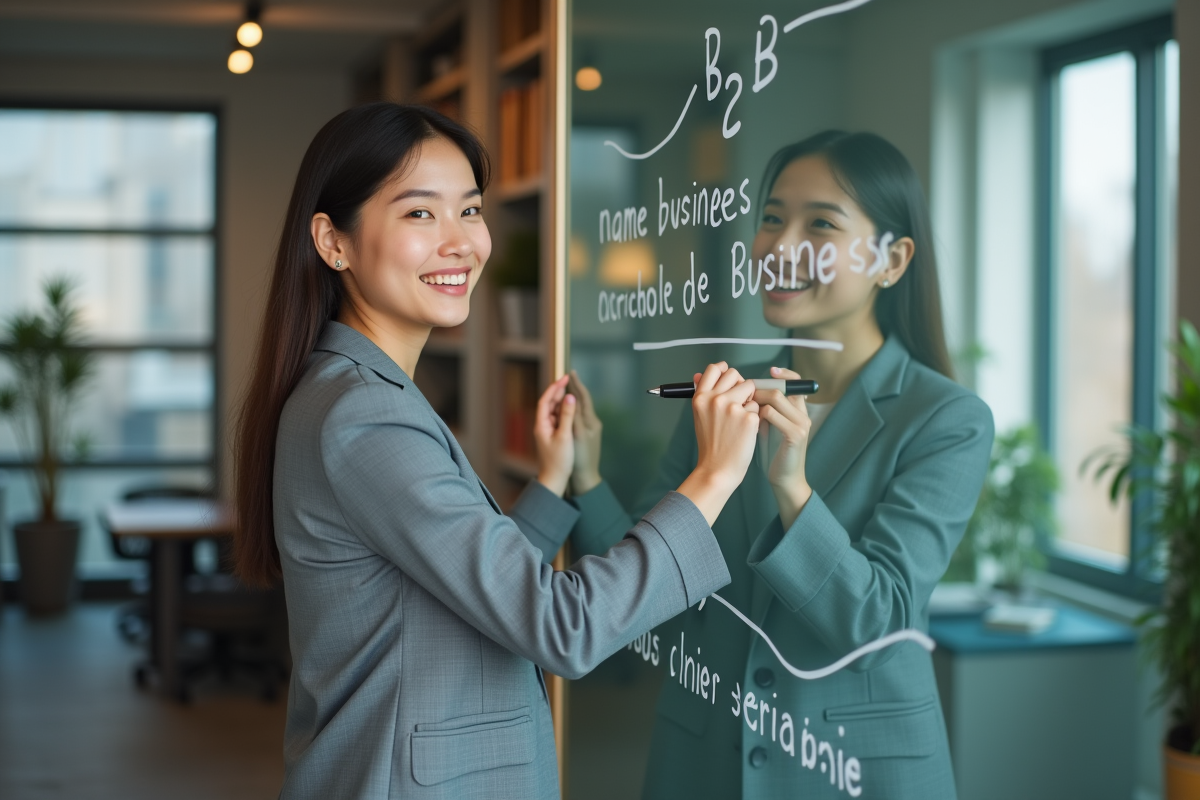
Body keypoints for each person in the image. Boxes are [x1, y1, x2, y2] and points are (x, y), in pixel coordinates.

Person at [232, 103, 762, 799]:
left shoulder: (352, 391)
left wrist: (549, 481)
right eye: (420, 214)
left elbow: (460, 588)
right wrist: (714, 477)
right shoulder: (366, 415)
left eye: (471, 211)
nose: (461, 243)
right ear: (334, 243)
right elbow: (560, 625)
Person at [564, 130, 994, 798]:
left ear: (892, 259)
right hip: (705, 756)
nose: (779, 246)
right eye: (771, 218)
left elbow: (878, 620)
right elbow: (643, 590)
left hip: (855, 769)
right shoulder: (722, 391)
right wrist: (585, 476)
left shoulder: (946, 420)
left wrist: (791, 487)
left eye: (819, 223)